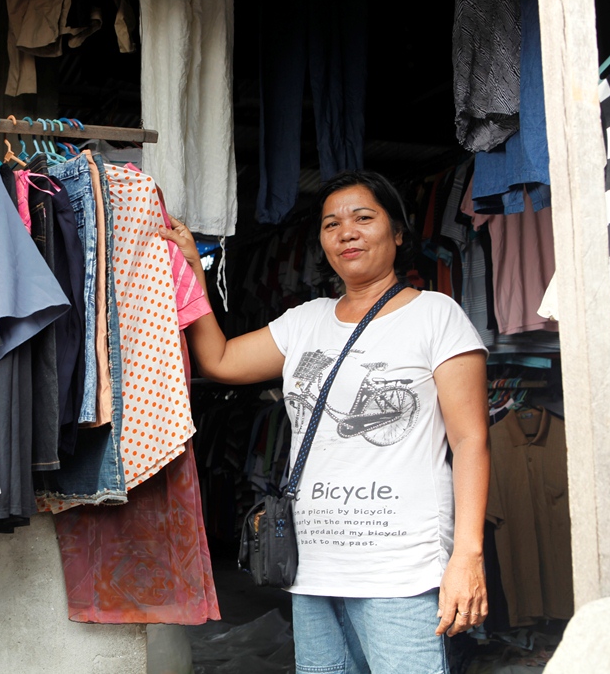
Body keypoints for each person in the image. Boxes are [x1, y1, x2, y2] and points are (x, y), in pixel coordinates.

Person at [161, 169, 489, 673]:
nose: (346, 233)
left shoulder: (436, 315)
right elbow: (220, 360)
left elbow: (470, 440)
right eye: (331, 223)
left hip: (399, 568)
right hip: (313, 565)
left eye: (363, 218)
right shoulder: (306, 320)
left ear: (398, 233)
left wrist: (467, 556)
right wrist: (193, 274)